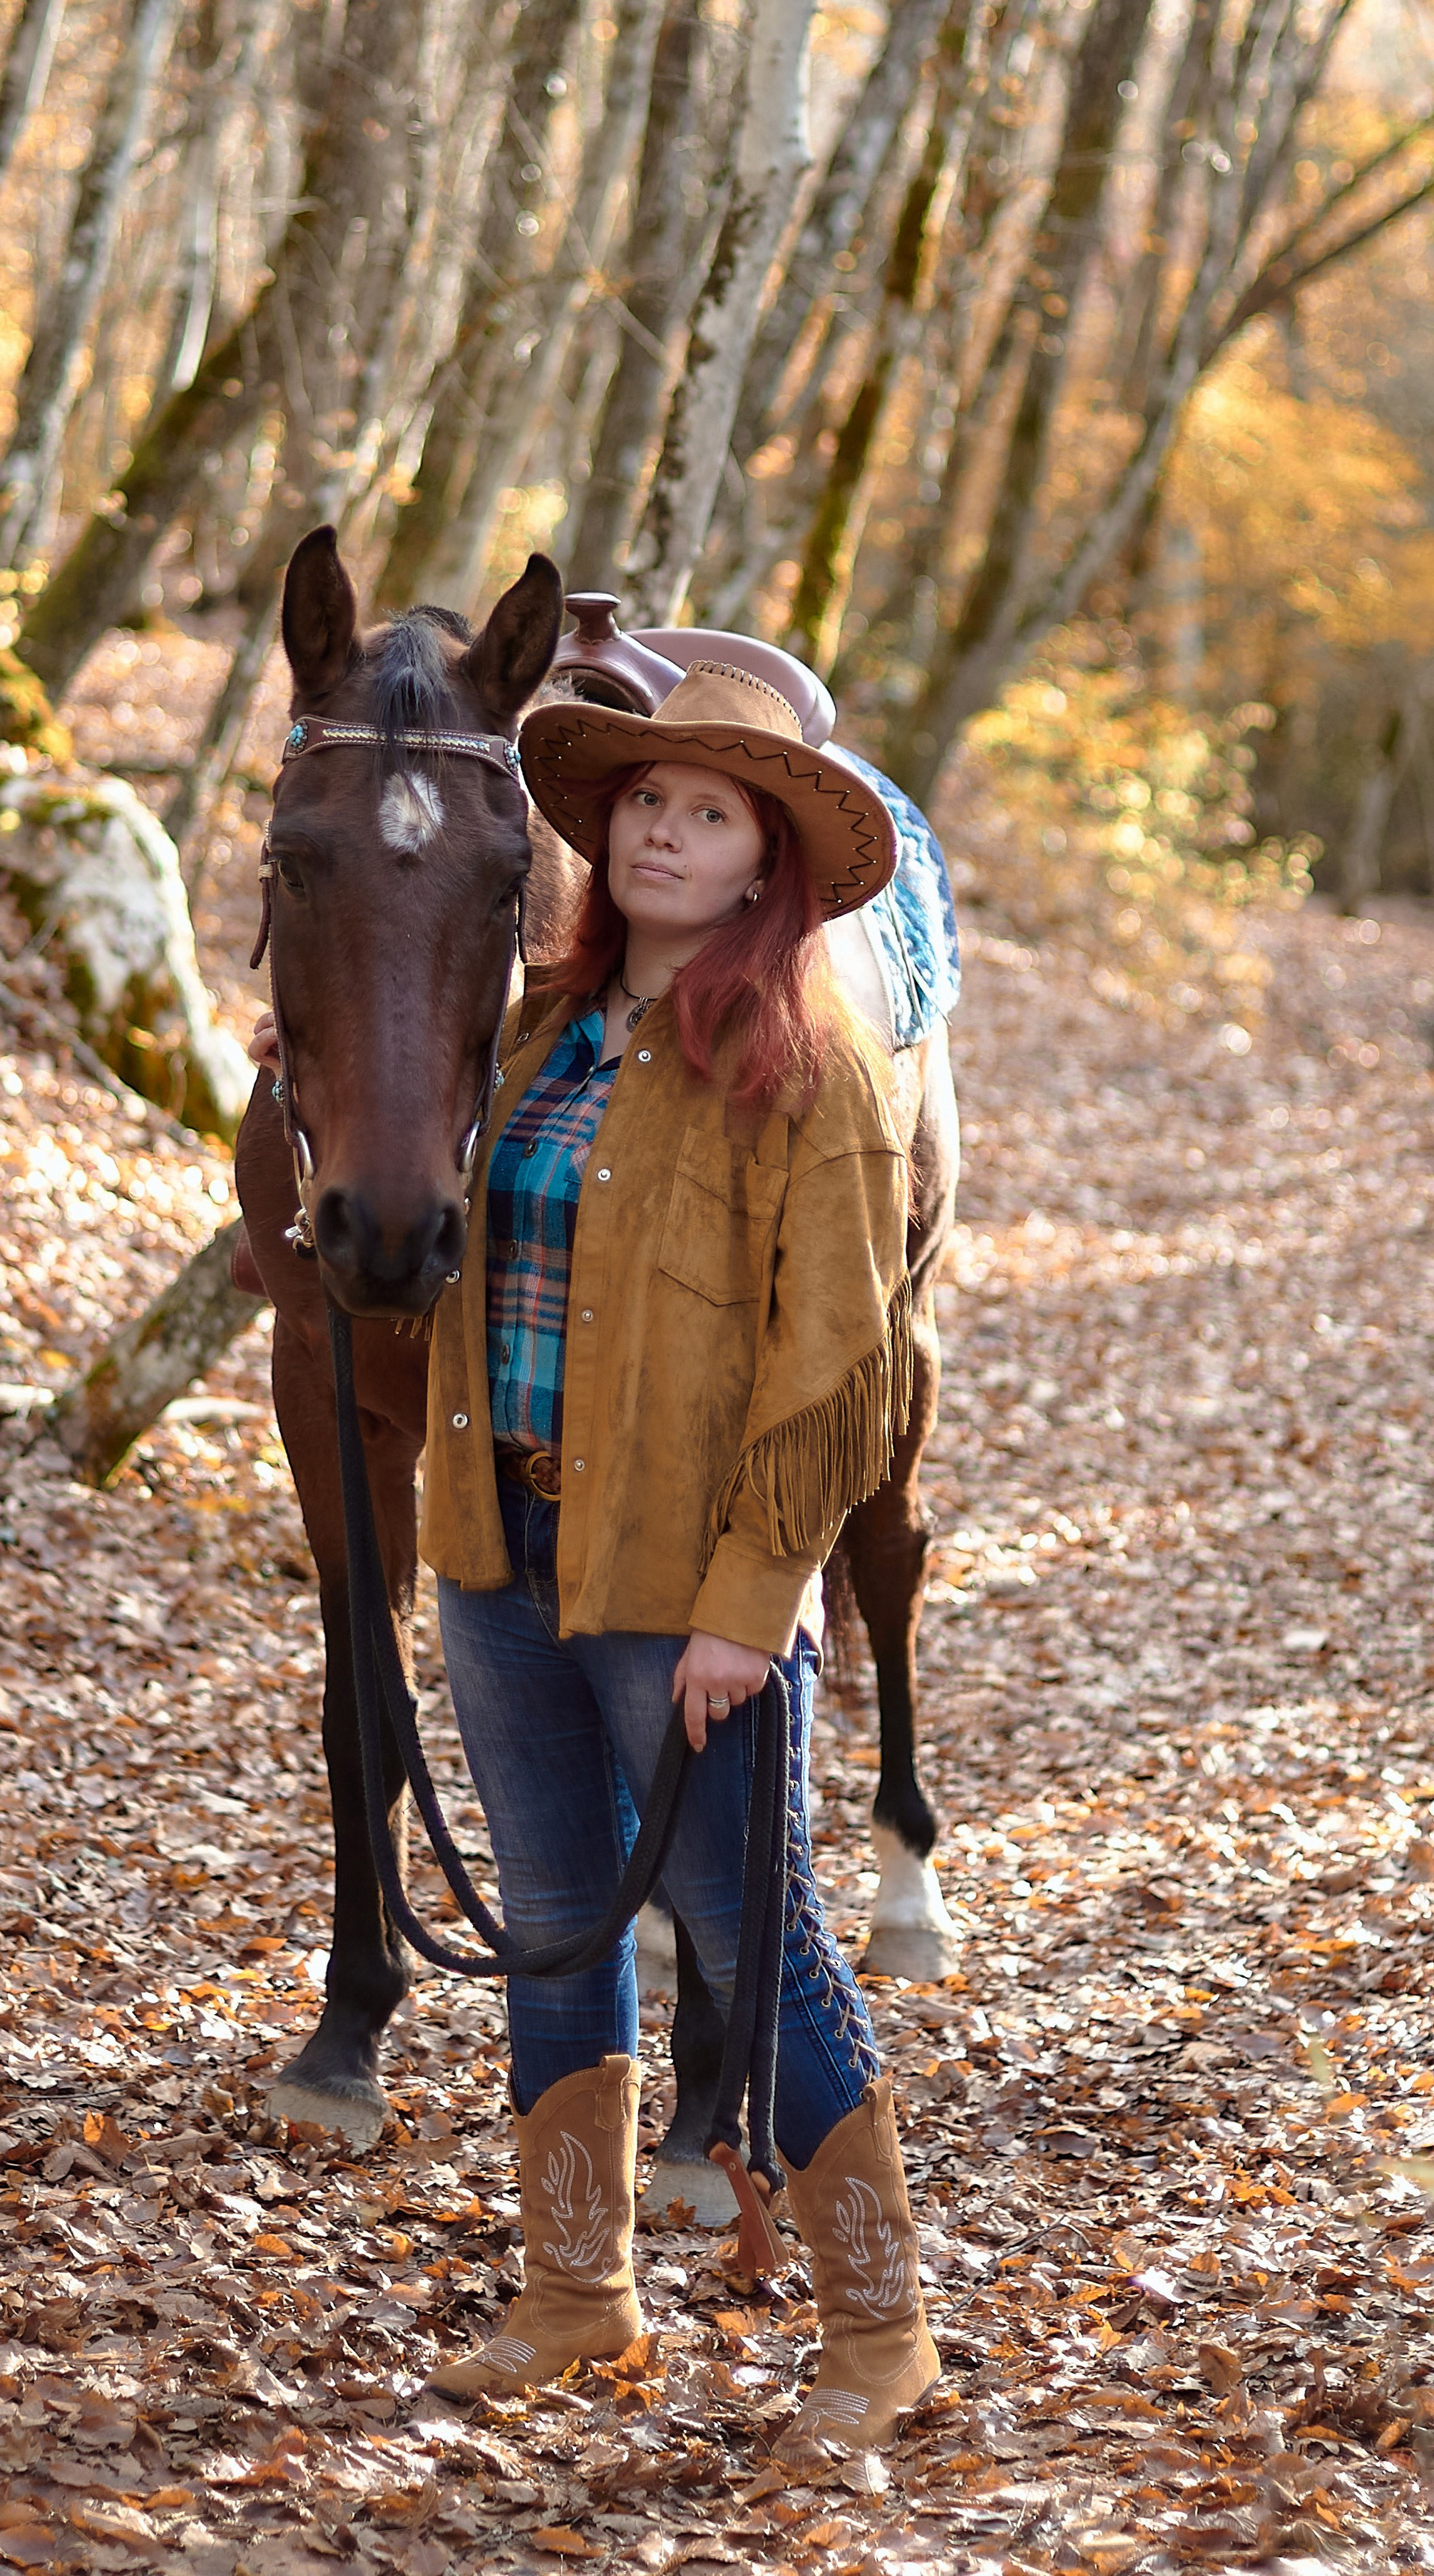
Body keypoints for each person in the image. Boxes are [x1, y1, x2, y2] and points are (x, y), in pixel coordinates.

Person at [415, 659, 940, 2454]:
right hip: (503, 1549)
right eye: (645, 799)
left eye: (709, 813)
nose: (663, 831)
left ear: (764, 863)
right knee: (556, 1915)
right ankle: (577, 2294)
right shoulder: (530, 1037)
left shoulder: (810, 1066)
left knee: (752, 1935)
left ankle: (878, 2328)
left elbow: (840, 1366)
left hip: (683, 1578)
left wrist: (751, 1604)